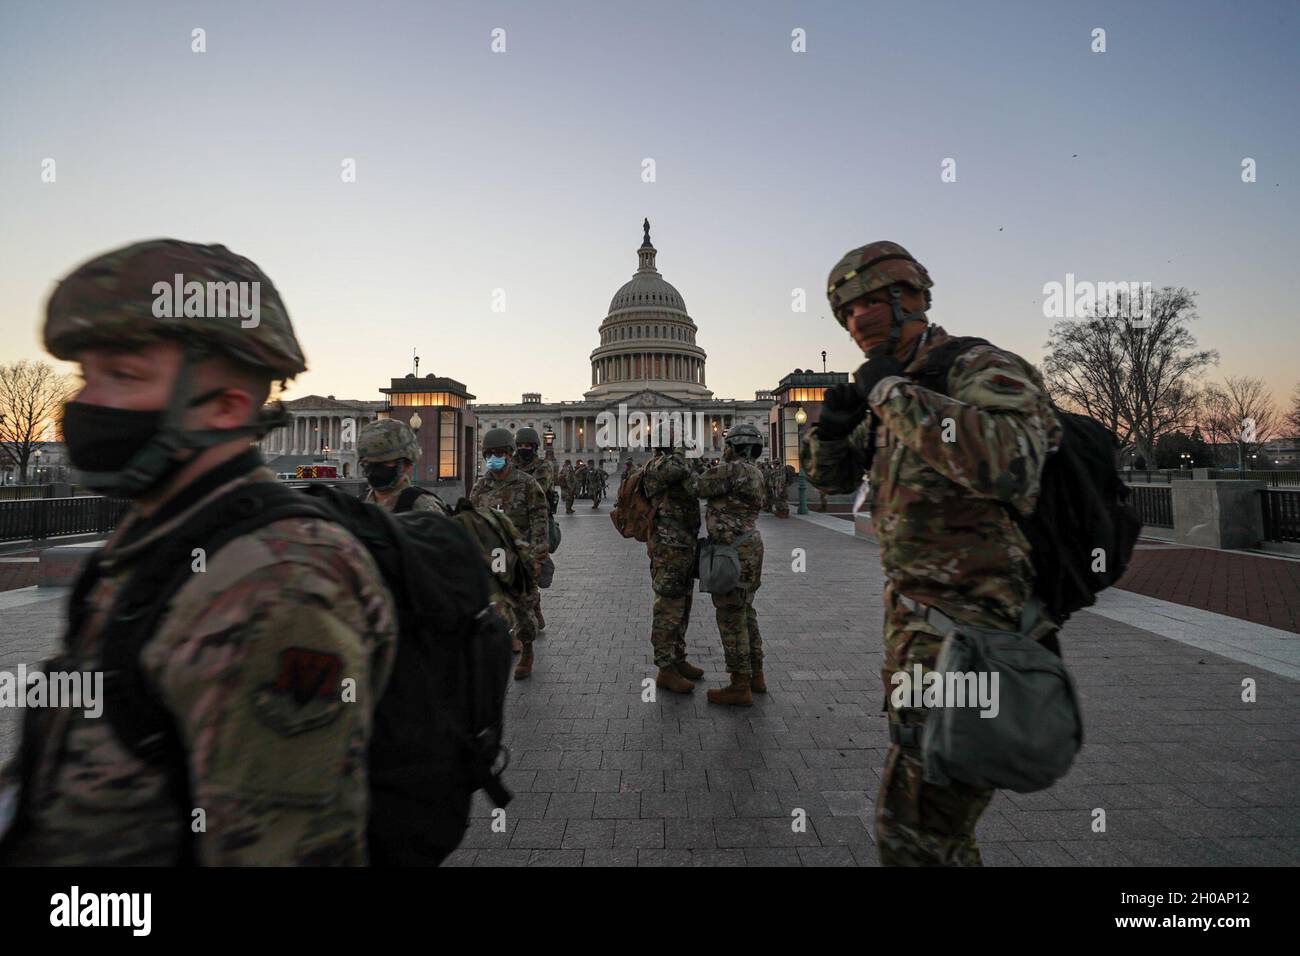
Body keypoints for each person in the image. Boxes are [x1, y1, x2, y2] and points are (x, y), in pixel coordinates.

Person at [0, 239, 396, 865]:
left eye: (124, 375)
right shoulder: (161, 535)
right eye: (86, 375)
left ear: (226, 407)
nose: (83, 404)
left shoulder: (280, 586)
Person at [802, 240, 1060, 866]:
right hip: (921, 638)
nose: (858, 320)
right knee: (933, 838)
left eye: (869, 302)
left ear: (913, 297)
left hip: (980, 640)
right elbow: (829, 482)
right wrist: (830, 430)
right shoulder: (905, 389)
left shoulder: (977, 367)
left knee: (914, 838)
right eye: (845, 311)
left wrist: (888, 390)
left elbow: (1011, 461)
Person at [687, 423, 766, 706]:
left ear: (734, 447)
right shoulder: (757, 472)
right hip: (751, 546)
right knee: (746, 611)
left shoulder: (732, 470)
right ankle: (757, 674)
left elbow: (697, 486)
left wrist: (691, 462)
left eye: (727, 444)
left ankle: (739, 684)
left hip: (732, 551)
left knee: (731, 616)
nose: (725, 448)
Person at [470, 428, 549, 679]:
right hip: (492, 558)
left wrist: (538, 557)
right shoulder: (480, 487)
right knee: (495, 606)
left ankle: (526, 650)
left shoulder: (527, 483)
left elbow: (539, 519)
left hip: (521, 555)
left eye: (500, 453)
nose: (495, 458)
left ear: (510, 454)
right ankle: (502, 645)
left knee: (523, 608)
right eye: (490, 454)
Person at [641, 443, 704, 693]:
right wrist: (683, 453)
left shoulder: (675, 462)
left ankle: (678, 658)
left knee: (683, 605)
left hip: (684, 545)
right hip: (668, 546)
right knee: (668, 607)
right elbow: (682, 474)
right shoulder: (661, 464)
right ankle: (665, 668)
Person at [513, 427, 555, 632]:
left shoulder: (543, 467)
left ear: (535, 447)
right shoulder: (509, 464)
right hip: (511, 524)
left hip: (535, 525)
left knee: (530, 571)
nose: (523, 449)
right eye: (520, 445)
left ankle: (533, 609)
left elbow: (537, 490)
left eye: (528, 446)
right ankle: (530, 609)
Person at [357, 419, 445, 514]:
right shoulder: (357, 506)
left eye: (384, 462)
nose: (374, 469)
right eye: (367, 462)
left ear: (406, 464)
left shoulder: (424, 508)